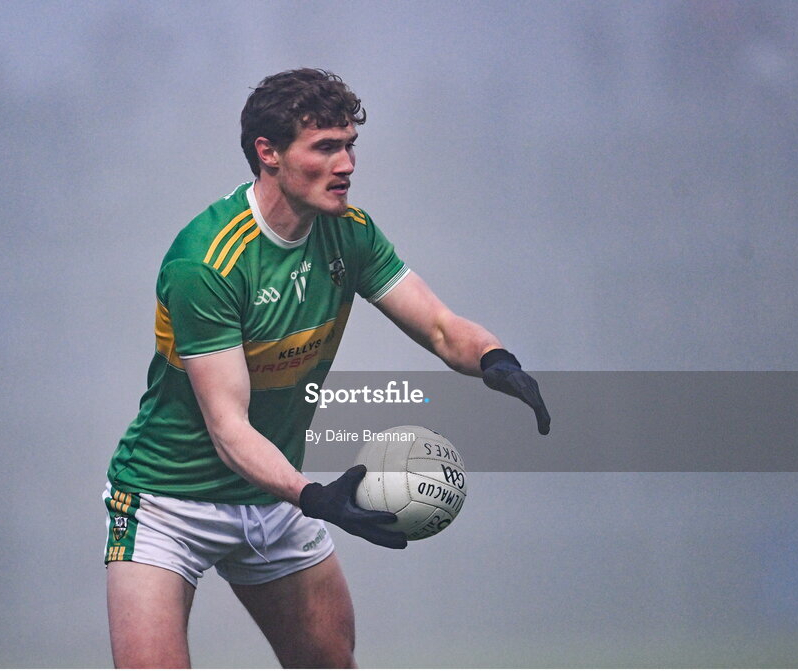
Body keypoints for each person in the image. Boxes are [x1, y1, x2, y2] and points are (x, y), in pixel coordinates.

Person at [103, 68, 550, 668]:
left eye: (350, 145)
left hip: (274, 499)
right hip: (167, 502)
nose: (347, 165)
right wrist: (313, 495)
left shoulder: (349, 234)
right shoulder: (206, 263)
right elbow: (228, 428)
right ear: (269, 154)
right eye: (325, 147)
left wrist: (496, 359)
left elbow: (442, 328)